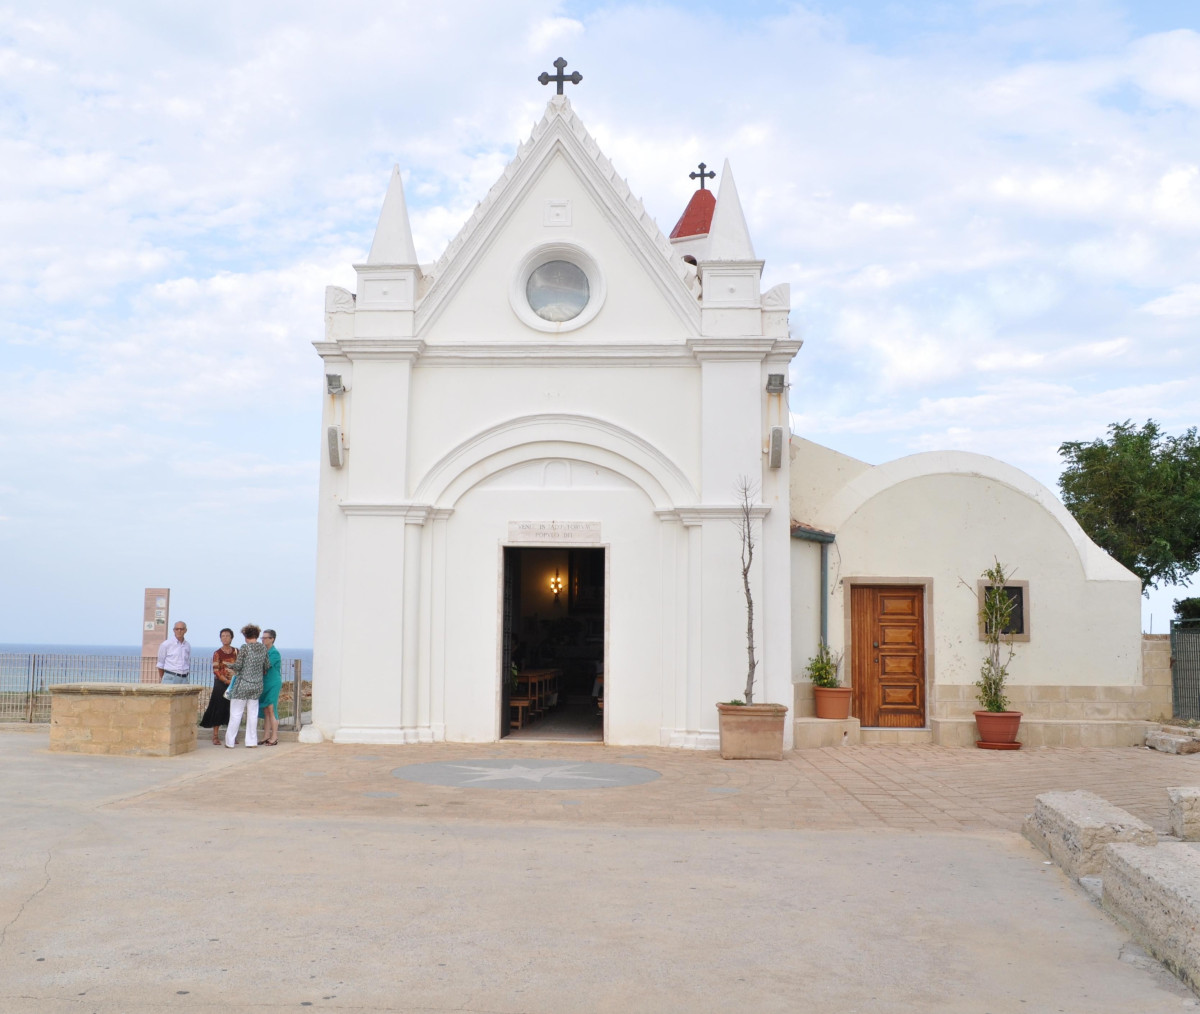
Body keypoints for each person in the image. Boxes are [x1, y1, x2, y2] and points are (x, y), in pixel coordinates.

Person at [225, 624, 269, 748]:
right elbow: (266, 666)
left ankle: (230, 742)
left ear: (245, 636)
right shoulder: (263, 648)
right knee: (253, 714)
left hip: (243, 685)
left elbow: (238, 666)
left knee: (236, 713)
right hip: (257, 685)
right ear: (257, 635)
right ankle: (251, 741)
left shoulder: (244, 648)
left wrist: (229, 665)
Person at [199, 628, 235, 745]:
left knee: (232, 709)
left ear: (231, 637)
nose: (225, 638)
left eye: (227, 635)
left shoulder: (236, 652)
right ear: (220, 638)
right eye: (223, 636)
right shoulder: (217, 653)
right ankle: (215, 735)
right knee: (218, 708)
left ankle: (231, 735)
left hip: (234, 683)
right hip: (221, 684)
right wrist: (225, 681)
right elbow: (216, 670)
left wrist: (233, 680)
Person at [259, 629, 282, 746]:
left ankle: (274, 737)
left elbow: (265, 666)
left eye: (265, 638)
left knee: (271, 709)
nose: (262, 640)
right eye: (262, 638)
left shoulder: (274, 653)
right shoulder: (264, 651)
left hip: (273, 683)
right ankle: (266, 735)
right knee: (266, 710)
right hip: (265, 682)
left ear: (272, 639)